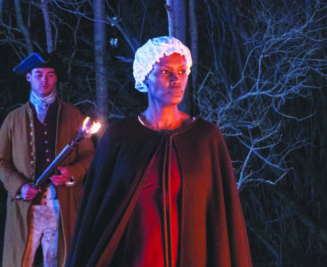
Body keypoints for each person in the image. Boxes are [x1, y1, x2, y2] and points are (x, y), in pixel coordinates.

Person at [66, 36, 253, 267]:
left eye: (182, 71)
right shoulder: (121, 137)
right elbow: (96, 215)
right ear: (145, 77)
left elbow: (224, 219)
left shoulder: (205, 138)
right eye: (166, 72)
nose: (177, 80)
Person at [0, 52, 95, 267]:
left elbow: (89, 155)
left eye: (50, 75)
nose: (45, 80)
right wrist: (19, 187)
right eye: (39, 74)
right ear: (29, 77)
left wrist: (72, 173)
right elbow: (0, 162)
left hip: (63, 204)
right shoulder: (13, 119)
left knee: (60, 260)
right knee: (22, 260)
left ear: (56, 78)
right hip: (26, 206)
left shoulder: (74, 114)